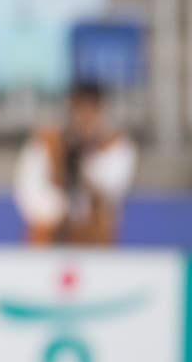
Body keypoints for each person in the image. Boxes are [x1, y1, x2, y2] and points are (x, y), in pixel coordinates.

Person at [13, 80, 137, 245]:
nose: (85, 119)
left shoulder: (116, 146)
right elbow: (30, 196)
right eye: (80, 110)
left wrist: (81, 164)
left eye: (91, 111)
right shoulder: (46, 143)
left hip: (93, 242)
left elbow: (110, 193)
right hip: (48, 239)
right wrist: (59, 161)